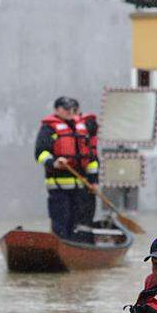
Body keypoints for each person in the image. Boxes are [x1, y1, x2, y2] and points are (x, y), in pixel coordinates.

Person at [34, 96, 99, 239]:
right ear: (57, 110)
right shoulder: (49, 128)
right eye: (66, 108)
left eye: (74, 109)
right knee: (60, 221)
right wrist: (54, 162)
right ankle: (61, 245)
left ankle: (78, 248)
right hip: (59, 186)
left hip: (81, 186)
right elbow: (40, 152)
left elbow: (91, 158)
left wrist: (94, 181)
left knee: (78, 222)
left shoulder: (82, 129)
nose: (70, 111)